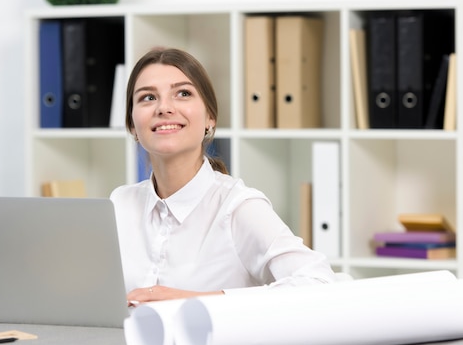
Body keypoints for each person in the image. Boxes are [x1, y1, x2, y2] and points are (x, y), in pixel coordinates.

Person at [110, 48, 345, 306]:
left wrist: (195, 301)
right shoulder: (119, 204)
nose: (164, 107)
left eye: (183, 93)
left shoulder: (238, 207)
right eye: (147, 97)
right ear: (132, 124)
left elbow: (319, 282)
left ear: (210, 118)